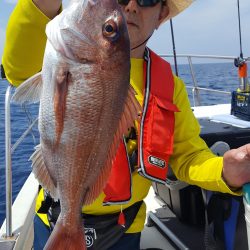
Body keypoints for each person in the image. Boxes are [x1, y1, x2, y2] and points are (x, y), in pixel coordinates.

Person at [2, 0, 250, 249]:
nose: (131, 6)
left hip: (124, 227)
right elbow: (18, 71)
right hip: (54, 216)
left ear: (162, 13)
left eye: (146, 0)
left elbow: (188, 156)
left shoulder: (170, 86)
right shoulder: (61, 50)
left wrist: (223, 171)